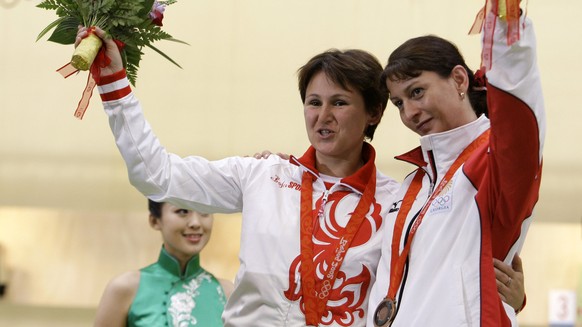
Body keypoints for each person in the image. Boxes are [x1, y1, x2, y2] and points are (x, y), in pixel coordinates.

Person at [77, 26, 402, 326]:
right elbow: (156, 175)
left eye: (340, 102)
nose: (323, 116)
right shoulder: (264, 176)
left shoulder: (396, 203)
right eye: (314, 102)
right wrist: (114, 84)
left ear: (373, 113)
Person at [366, 2, 544, 326]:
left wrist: (505, 34)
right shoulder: (412, 185)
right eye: (399, 103)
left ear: (460, 79)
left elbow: (521, 129)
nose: (409, 113)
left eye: (417, 92)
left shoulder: (490, 166)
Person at [93, 200, 234, 327]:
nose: (196, 223)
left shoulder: (228, 293)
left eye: (205, 211)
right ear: (155, 220)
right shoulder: (124, 288)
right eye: (182, 211)